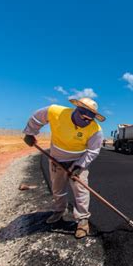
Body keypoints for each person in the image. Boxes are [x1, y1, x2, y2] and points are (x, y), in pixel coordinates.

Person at [23, 97, 105, 238]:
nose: (86, 122)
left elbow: (93, 151)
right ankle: (59, 211)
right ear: (77, 110)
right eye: (83, 118)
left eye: (89, 120)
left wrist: (79, 166)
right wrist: (30, 133)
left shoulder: (95, 130)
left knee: (81, 190)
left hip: (78, 161)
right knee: (58, 189)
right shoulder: (56, 112)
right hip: (56, 160)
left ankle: (83, 220)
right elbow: (37, 118)